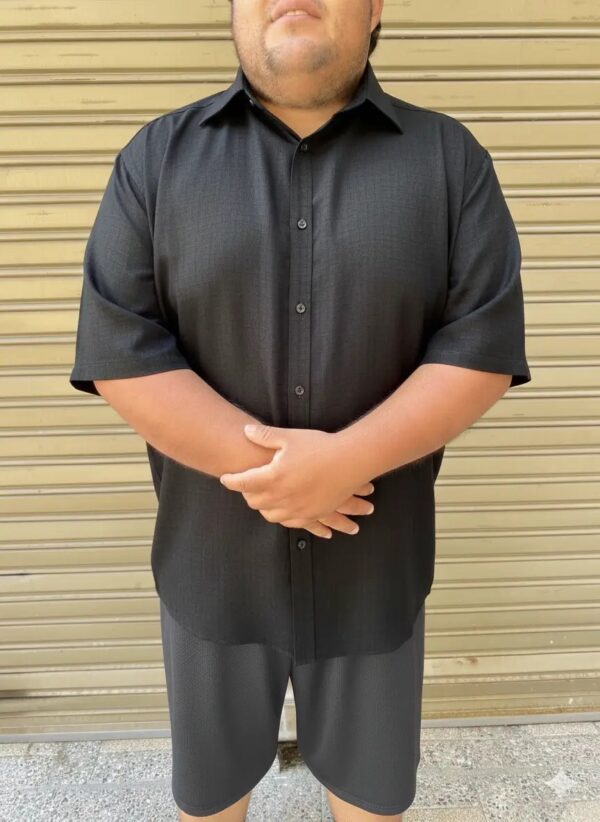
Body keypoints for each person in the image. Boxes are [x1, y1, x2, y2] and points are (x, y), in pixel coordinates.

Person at [69, 1, 531, 819]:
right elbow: (121, 352)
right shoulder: (156, 160)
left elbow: (482, 347)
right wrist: (288, 475)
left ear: (375, 8)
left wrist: (347, 462)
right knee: (211, 798)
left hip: (375, 573)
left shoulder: (449, 160)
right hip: (212, 572)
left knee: (371, 796)